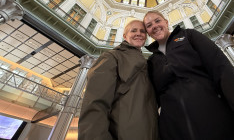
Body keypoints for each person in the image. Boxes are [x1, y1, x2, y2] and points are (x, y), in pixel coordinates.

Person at [143, 10, 234, 140]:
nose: (155, 26)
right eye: (149, 25)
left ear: (166, 22)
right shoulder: (152, 61)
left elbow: (221, 69)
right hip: (175, 131)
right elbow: (152, 100)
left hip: (215, 121)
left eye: (157, 21)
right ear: (147, 32)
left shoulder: (189, 36)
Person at [78, 20, 159, 140]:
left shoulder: (147, 63)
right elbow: (95, 102)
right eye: (133, 30)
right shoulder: (112, 56)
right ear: (125, 36)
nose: (139, 33)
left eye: (142, 31)